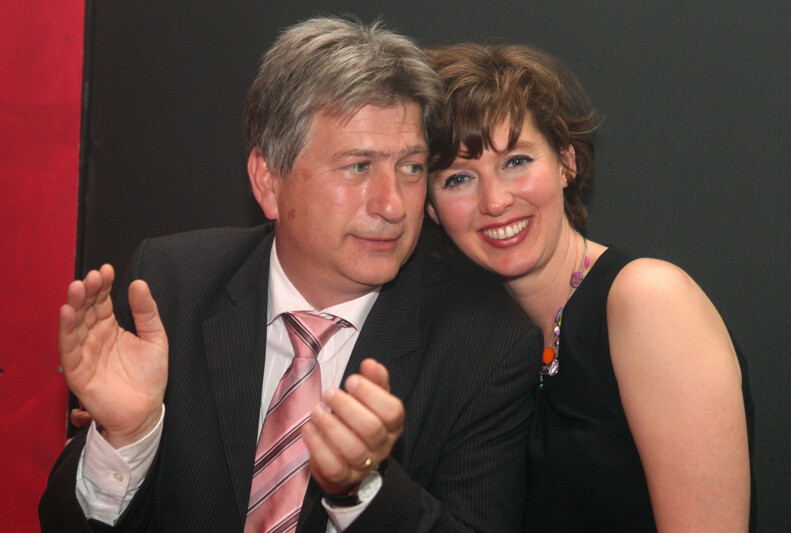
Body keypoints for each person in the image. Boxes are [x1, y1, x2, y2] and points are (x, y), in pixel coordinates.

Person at [39, 19, 543, 532]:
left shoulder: (485, 345)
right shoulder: (170, 288)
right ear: (268, 181)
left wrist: (363, 487)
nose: (393, 205)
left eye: (410, 167)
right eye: (358, 167)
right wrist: (127, 438)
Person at [425, 43, 753, 532]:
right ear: (430, 209)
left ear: (566, 162)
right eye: (458, 179)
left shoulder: (648, 300)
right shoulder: (469, 338)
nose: (494, 201)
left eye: (516, 161)